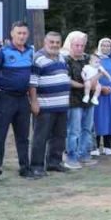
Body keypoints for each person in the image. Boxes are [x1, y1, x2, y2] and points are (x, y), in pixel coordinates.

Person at [0, 21, 35, 182]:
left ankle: (25, 168)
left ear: (28, 35)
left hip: (22, 99)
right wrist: (0, 82)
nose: (21, 36)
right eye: (18, 33)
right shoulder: (2, 52)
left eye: (24, 33)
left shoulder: (30, 52)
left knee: (23, 137)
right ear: (12, 34)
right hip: (4, 98)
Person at [29, 31, 75, 175]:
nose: (54, 45)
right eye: (51, 42)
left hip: (61, 105)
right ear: (45, 42)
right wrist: (34, 102)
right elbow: (32, 84)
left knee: (60, 136)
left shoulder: (62, 58)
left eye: (57, 42)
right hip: (45, 106)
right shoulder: (38, 58)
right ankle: (36, 166)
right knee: (40, 137)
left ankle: (54, 163)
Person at [62, 31, 97, 169]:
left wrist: (94, 83)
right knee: (74, 130)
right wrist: (84, 85)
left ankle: (84, 154)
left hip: (88, 100)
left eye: (82, 45)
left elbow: (97, 71)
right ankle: (71, 156)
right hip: (73, 100)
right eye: (76, 45)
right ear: (71, 45)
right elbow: (67, 79)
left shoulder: (88, 58)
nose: (79, 48)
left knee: (87, 128)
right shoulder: (65, 60)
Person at [91, 38, 111, 155]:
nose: (106, 48)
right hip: (98, 93)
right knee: (97, 119)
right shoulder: (94, 58)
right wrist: (101, 87)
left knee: (110, 118)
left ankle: (108, 145)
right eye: (103, 45)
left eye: (108, 46)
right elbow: (91, 74)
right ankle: (95, 146)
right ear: (99, 46)